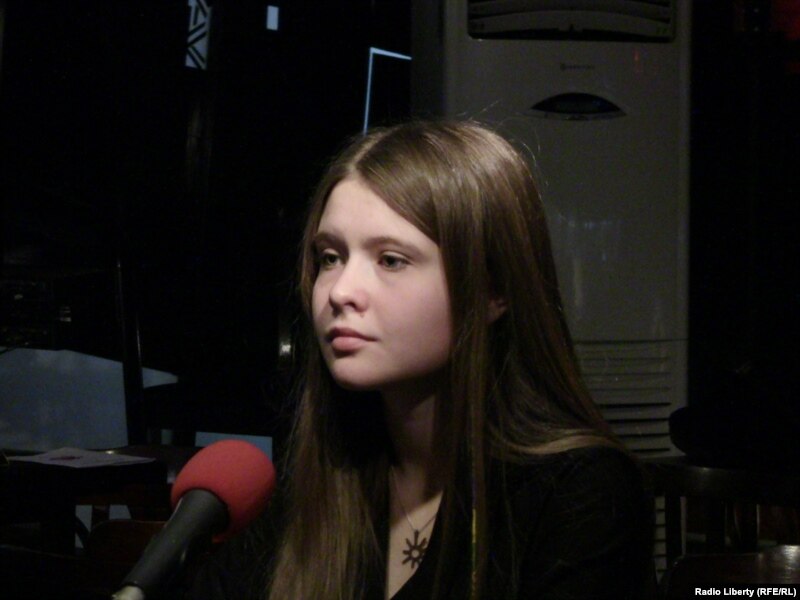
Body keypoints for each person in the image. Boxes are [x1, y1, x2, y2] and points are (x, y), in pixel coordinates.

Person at [189, 120, 654, 599]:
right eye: (330, 257)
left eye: (390, 260)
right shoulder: (324, 475)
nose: (341, 291)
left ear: (493, 288)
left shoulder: (580, 493)